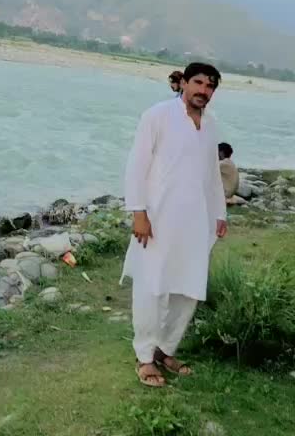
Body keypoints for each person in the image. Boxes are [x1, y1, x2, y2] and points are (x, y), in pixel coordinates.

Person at [122, 62, 227, 388]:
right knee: (152, 286)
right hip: (158, 219)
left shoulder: (210, 124)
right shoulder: (157, 115)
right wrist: (138, 212)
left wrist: (220, 213)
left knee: (188, 288)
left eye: (210, 86)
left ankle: (165, 350)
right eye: (198, 83)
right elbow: (136, 166)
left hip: (196, 221)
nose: (204, 91)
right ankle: (144, 357)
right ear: (183, 82)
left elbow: (212, 174)